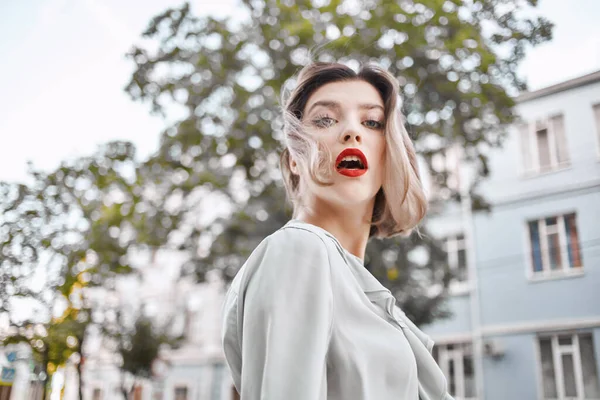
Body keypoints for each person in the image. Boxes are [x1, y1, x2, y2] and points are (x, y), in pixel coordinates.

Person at [221, 61, 454, 400]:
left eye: (372, 122)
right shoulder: (299, 249)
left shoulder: (358, 288)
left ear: (389, 155)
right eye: (325, 119)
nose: (351, 131)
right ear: (293, 161)